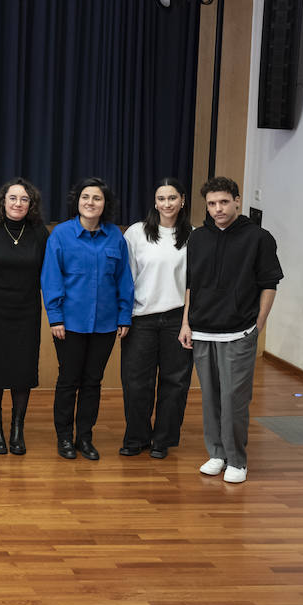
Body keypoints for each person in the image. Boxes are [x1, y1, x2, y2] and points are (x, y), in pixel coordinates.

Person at [179, 177, 283, 484]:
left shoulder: (259, 238)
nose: (218, 209)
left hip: (239, 332)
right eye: (212, 204)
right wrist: (186, 323)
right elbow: (191, 285)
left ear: (237, 200)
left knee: (234, 400)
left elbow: (269, 284)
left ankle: (237, 460)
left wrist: (257, 326)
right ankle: (217, 454)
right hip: (202, 331)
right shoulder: (197, 238)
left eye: (224, 202)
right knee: (210, 398)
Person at [41, 177, 134, 461]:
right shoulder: (61, 235)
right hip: (69, 324)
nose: (90, 203)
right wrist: (55, 317)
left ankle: (84, 437)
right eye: (85, 197)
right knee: (68, 381)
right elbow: (51, 278)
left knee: (93, 382)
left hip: (105, 324)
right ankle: (64, 437)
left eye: (97, 198)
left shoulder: (115, 236)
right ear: (77, 201)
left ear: (105, 204)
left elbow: (124, 279)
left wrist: (124, 316)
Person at [0, 179, 49, 455]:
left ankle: (17, 429)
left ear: (31, 204)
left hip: (26, 309)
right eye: (13, 198)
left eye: (24, 199)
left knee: (22, 370)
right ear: (3, 201)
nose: (18, 203)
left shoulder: (39, 232)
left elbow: (45, 269)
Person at [120, 178, 194, 459]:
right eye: (161, 198)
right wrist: (124, 316)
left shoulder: (193, 235)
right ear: (154, 201)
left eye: (172, 198)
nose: (167, 204)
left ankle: (163, 440)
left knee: (175, 384)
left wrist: (187, 322)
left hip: (177, 319)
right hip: (141, 318)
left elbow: (194, 284)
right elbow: (126, 278)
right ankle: (136, 437)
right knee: (136, 383)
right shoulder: (137, 233)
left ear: (182, 200)